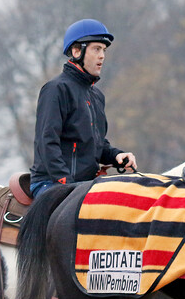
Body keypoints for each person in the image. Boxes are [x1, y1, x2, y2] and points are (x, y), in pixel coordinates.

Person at [29, 19, 137, 198]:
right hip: (51, 183)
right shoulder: (56, 89)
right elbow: (47, 142)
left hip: (85, 186)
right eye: (96, 49)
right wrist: (66, 183)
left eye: (104, 50)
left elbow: (97, 145)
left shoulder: (96, 96)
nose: (102, 56)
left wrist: (117, 156)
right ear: (76, 51)